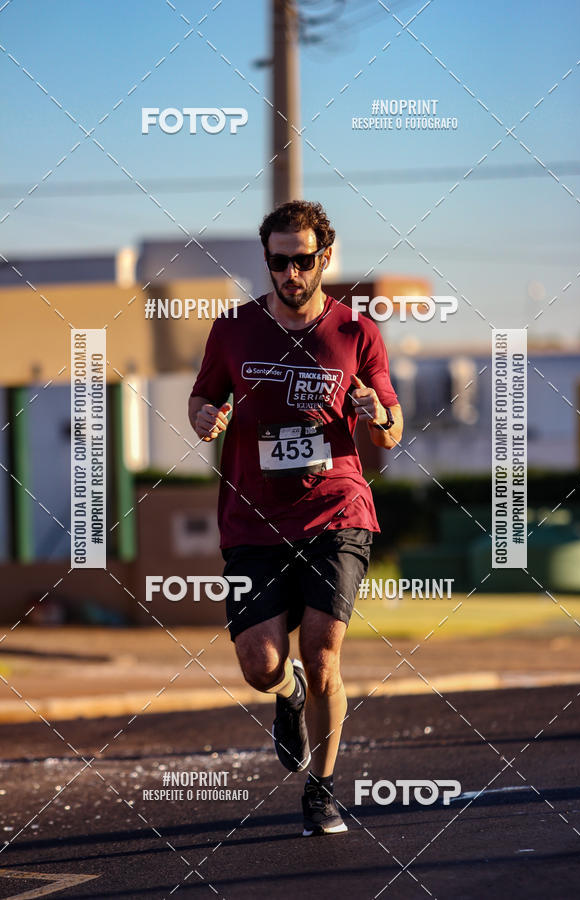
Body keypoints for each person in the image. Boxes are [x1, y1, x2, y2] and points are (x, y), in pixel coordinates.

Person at [188, 200, 403, 836]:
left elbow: (391, 429)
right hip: (253, 520)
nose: (289, 273)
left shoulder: (357, 334)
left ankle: (322, 790)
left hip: (337, 510)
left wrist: (374, 413)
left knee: (324, 648)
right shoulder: (233, 330)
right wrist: (204, 415)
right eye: (278, 261)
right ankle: (288, 695)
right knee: (259, 663)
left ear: (324, 259)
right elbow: (204, 395)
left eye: (301, 261)